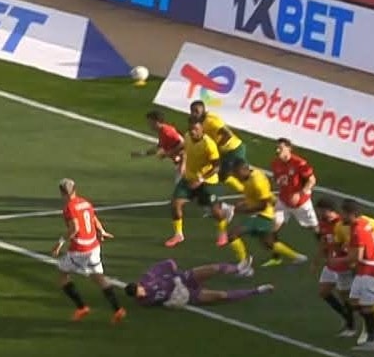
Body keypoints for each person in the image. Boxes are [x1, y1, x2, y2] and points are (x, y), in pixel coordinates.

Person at [50, 178, 126, 324]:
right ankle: (118, 310)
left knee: (62, 274)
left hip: (80, 249)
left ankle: (81, 307)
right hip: (94, 246)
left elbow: (74, 228)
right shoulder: (85, 202)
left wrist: (59, 244)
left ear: (62, 192)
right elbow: (93, 217)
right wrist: (101, 230)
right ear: (75, 189)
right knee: (98, 278)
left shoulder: (69, 207)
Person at [226, 158, 307, 276]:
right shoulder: (249, 177)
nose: (235, 175)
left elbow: (262, 205)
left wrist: (241, 210)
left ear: (244, 169)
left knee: (233, 235)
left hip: (263, 214)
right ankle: (298, 257)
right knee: (268, 243)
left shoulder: (257, 181)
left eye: (236, 172)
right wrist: (244, 203)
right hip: (262, 213)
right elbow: (256, 198)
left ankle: (244, 266)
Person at [164, 116, 233, 249]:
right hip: (188, 179)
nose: (192, 132)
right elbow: (184, 148)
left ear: (202, 129)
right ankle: (178, 234)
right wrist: (174, 155)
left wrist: (201, 179)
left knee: (215, 211)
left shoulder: (209, 145)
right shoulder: (187, 137)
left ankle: (223, 232)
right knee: (175, 204)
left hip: (207, 182)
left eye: (195, 129)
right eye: (190, 129)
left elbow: (216, 167)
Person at [340, 199, 374, 350]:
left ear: (351, 214)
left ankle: (372, 341)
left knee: (367, 306)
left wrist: (338, 260)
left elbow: (357, 257)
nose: (341, 216)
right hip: (366, 269)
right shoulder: (363, 223)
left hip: (369, 270)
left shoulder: (358, 230)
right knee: (354, 301)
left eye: (343, 213)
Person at [124, 259, 273, 307]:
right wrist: (172, 302)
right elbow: (164, 303)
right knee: (221, 296)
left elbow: (169, 262)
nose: (141, 294)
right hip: (187, 294)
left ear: (139, 285)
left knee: (212, 268)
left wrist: (175, 275)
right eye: (138, 295)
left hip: (184, 279)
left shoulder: (148, 277)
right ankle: (258, 290)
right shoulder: (145, 302)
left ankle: (239, 269)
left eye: (140, 290)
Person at [265, 138, 319, 267]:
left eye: (280, 148)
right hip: (283, 202)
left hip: (301, 204)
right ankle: (276, 257)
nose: (277, 150)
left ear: (289, 148)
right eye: (277, 148)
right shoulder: (275, 163)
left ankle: (330, 252)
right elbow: (278, 180)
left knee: (315, 228)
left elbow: (312, 180)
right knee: (272, 229)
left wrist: (300, 193)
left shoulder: (299, 163)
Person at [314, 198, 355, 336]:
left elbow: (349, 244)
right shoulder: (323, 222)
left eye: (320, 210)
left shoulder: (341, 224)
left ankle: (351, 326)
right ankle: (346, 317)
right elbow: (323, 241)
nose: (318, 213)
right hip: (331, 263)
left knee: (345, 296)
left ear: (328, 210)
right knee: (323, 292)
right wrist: (317, 260)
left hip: (342, 264)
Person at [189, 100, 245, 194]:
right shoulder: (200, 121)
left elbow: (228, 134)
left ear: (203, 110)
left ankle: (246, 190)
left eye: (197, 111)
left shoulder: (211, 121)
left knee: (227, 174)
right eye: (192, 111)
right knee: (225, 174)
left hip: (233, 149)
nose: (194, 114)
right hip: (226, 151)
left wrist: (218, 146)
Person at [131, 110, 184, 181]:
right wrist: (143, 153)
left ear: (156, 122)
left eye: (150, 122)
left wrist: (169, 153)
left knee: (181, 183)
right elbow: (159, 147)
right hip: (180, 161)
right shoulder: (162, 131)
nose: (149, 125)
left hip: (186, 161)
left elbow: (183, 143)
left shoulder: (168, 132)